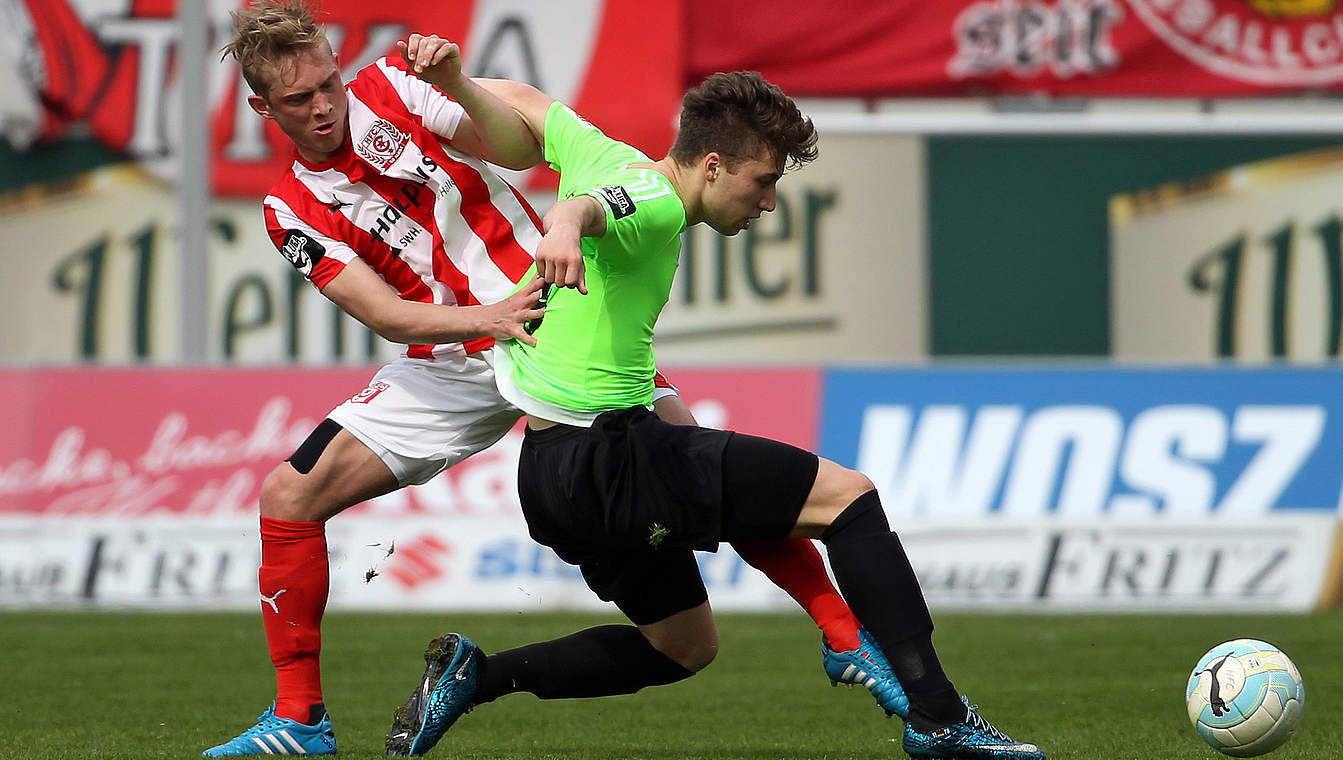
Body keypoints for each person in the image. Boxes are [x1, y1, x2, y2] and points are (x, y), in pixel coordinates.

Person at [211, 2, 902, 756]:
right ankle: (300, 721)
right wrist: (485, 320)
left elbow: (516, 144)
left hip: (547, 312)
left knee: (696, 468)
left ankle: (842, 634)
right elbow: (384, 313)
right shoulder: (291, 208)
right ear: (261, 107)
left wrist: (458, 85)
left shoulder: (393, 86)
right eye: (298, 98)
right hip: (456, 346)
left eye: (326, 84)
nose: (322, 105)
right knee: (289, 494)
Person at [386, 74, 1047, 760]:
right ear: (710, 165)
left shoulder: (600, 150)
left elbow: (530, 104)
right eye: (761, 182)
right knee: (848, 499)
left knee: (684, 645)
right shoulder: (654, 200)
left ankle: (476, 676)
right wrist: (561, 226)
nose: (767, 202)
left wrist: (445, 80)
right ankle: (940, 716)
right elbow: (592, 209)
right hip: (610, 457)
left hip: (552, 475)